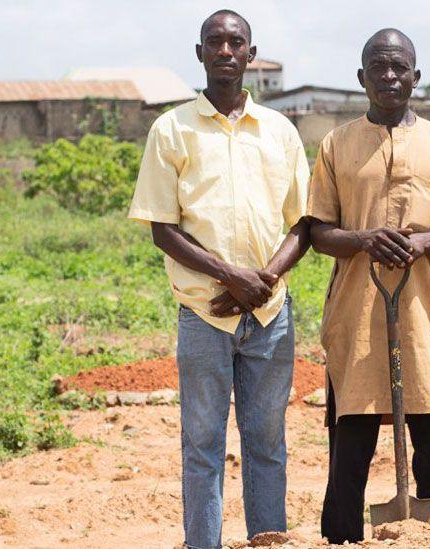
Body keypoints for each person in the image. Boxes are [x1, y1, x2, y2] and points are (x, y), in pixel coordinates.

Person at [127, 9, 310, 548]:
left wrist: (264, 280)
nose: (226, 50)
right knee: (202, 445)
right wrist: (230, 277)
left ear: (251, 55)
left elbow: (304, 224)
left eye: (237, 42)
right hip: (204, 315)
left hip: (271, 316)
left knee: (267, 444)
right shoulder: (172, 130)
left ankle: (267, 540)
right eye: (215, 42)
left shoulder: (280, 132)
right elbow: (163, 229)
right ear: (200, 52)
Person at [305, 28, 430, 544]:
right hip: (357, 313)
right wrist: (362, 239)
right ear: (362, 78)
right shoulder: (337, 144)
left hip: (425, 314)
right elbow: (318, 230)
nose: (389, 76)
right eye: (378, 68)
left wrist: (424, 244)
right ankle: (340, 537)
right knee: (351, 441)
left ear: (415, 77)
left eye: (399, 67)